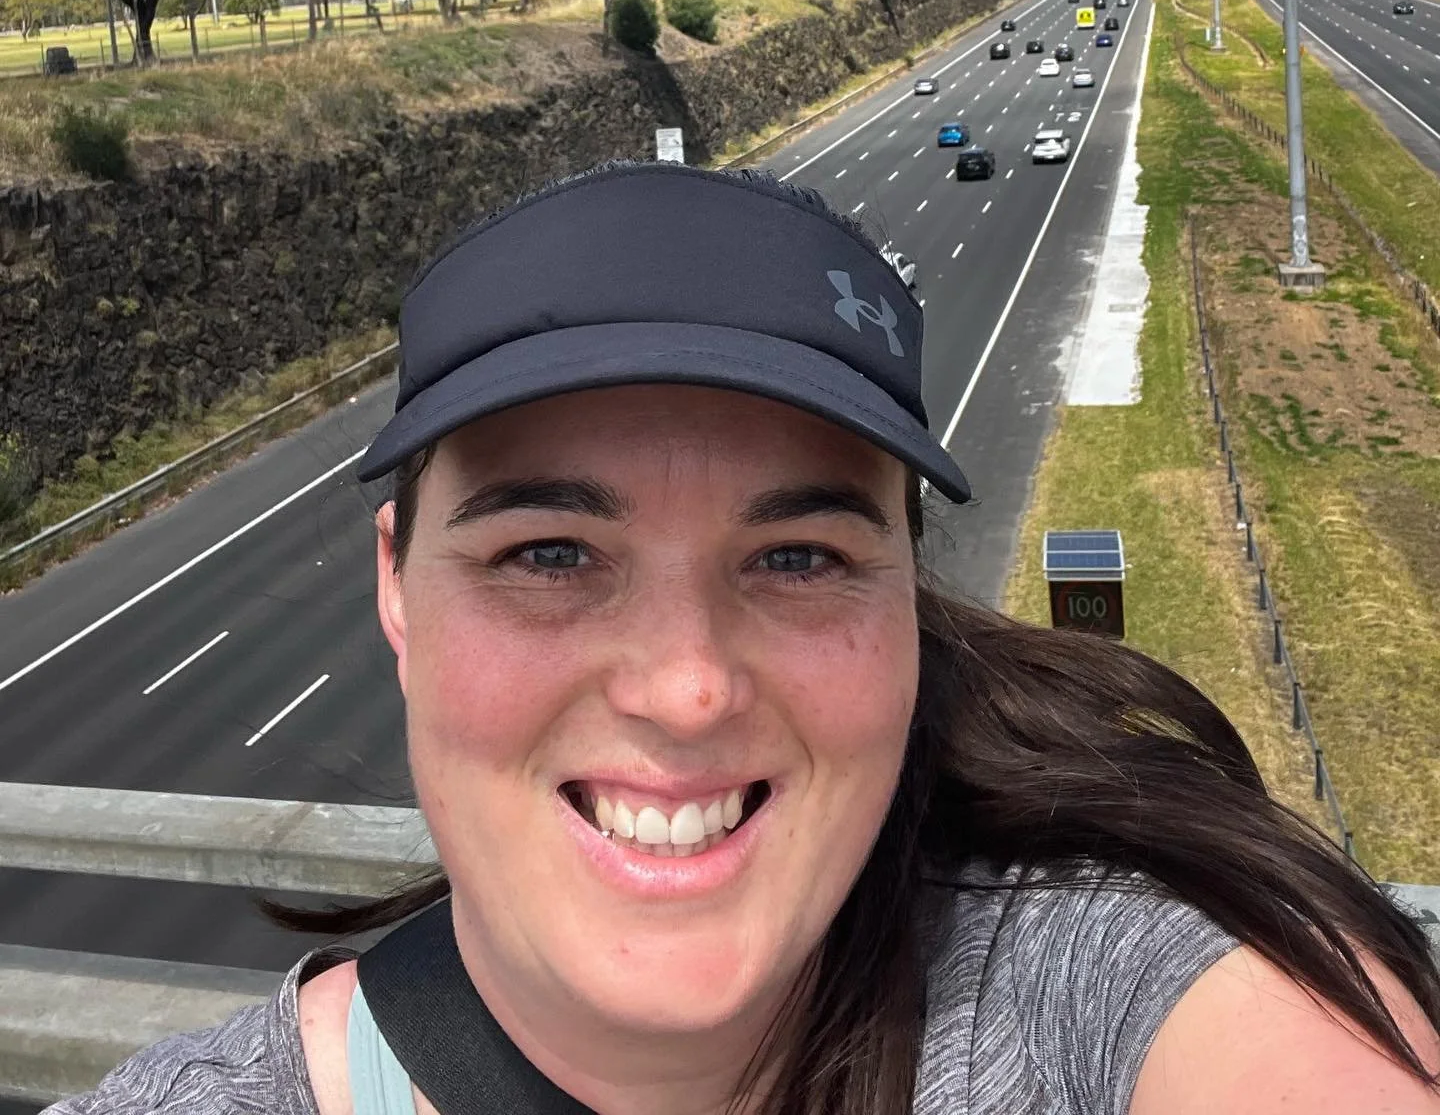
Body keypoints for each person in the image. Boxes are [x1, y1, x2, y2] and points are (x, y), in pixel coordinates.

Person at [53, 162, 1440, 1114]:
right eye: (550, 554)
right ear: (399, 586)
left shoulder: (1096, 990)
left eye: (797, 557)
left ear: (908, 594)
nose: (686, 685)